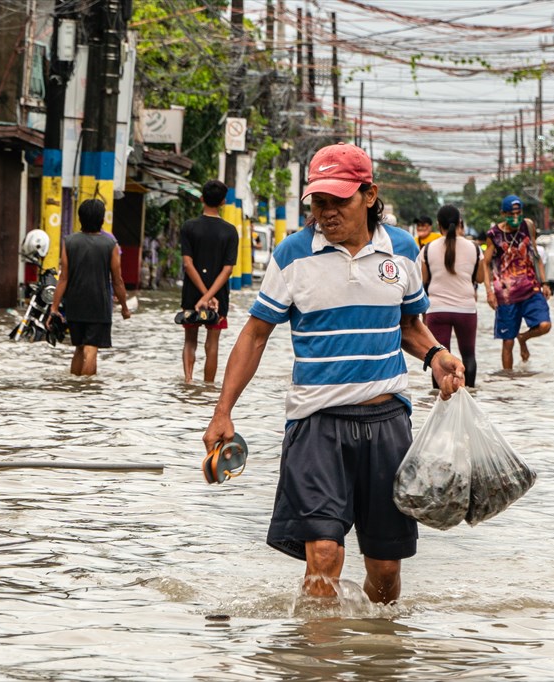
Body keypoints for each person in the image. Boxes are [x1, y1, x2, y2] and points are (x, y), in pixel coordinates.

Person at [202, 142, 464, 605]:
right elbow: (255, 335)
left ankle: (377, 659)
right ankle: (316, 664)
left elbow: (409, 326)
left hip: (386, 424)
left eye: (337, 201)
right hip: (316, 424)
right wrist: (222, 411)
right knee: (323, 552)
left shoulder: (402, 250)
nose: (325, 212)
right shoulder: (292, 255)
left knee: (385, 569)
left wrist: (437, 355)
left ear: (368, 194)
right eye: (318, 201)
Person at [47, 199, 130, 376]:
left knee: (79, 348)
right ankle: (87, 392)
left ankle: (75, 388)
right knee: (91, 349)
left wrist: (54, 308)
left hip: (74, 304)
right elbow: (117, 281)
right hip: (99, 304)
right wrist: (124, 307)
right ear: (101, 220)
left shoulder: (68, 242)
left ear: (80, 218)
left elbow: (63, 279)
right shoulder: (110, 245)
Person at [483, 194, 552, 370]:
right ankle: (508, 381)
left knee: (545, 325)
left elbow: (536, 256)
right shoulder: (493, 234)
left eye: (518, 213)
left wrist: (544, 283)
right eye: (511, 214)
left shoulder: (527, 226)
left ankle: (524, 337)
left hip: (531, 287)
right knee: (507, 342)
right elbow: (486, 263)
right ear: (503, 213)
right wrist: (489, 291)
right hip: (506, 294)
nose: (515, 217)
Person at [180, 180, 239, 383]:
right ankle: (208, 386)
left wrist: (202, 296)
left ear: (201, 198)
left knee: (190, 341)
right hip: (218, 295)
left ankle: (188, 381)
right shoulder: (230, 231)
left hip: (191, 293)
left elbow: (188, 265)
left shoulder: (188, 227)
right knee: (212, 344)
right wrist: (210, 296)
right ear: (223, 202)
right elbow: (228, 269)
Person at [420, 204, 484, 387]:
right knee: (469, 356)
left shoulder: (427, 249)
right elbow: (479, 278)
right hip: (466, 310)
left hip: (437, 310)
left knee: (438, 357)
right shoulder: (474, 248)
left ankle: (439, 399)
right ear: (459, 223)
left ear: (439, 224)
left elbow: (422, 280)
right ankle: (469, 396)